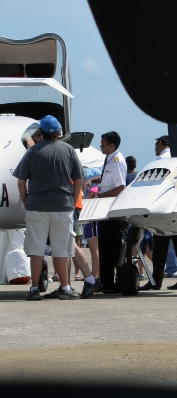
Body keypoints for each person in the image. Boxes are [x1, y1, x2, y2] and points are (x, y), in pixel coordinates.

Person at [14, 115, 84, 300]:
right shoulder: (69, 150)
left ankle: (35, 289)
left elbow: (21, 182)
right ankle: (66, 288)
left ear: (41, 132)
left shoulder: (32, 151)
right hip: (63, 206)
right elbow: (79, 180)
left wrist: (27, 201)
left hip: (37, 206)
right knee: (61, 249)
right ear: (59, 132)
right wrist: (72, 201)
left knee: (36, 249)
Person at [86, 131, 127, 294]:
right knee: (105, 247)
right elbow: (105, 178)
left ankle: (119, 282)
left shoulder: (117, 161)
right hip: (105, 210)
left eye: (103, 145)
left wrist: (99, 195)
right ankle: (106, 282)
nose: (101, 147)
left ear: (112, 145)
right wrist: (94, 180)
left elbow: (119, 187)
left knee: (114, 248)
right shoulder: (109, 158)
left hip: (112, 210)